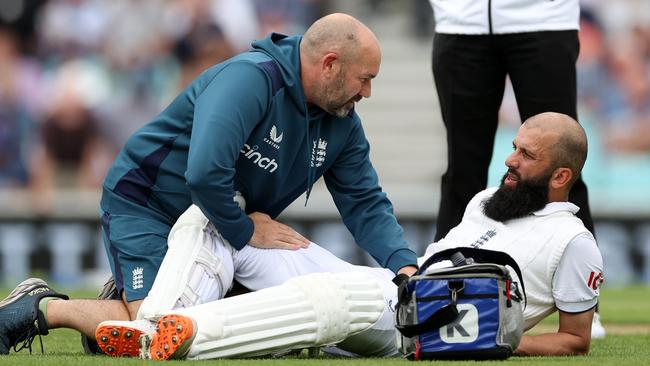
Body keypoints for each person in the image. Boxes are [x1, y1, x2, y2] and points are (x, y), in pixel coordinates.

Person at [0, 112, 597, 358]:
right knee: (222, 223)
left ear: (562, 175)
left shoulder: (572, 243)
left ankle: (155, 327)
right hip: (397, 286)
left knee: (341, 302)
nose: (510, 161)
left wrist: (490, 342)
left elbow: (576, 341)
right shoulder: (487, 201)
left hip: (414, 326)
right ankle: (146, 317)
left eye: (526, 155)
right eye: (514, 147)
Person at [427, 0, 595, 241]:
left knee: (561, 165)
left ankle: (577, 270)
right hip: (459, 22)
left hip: (544, 18)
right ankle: (448, 271)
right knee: (462, 171)